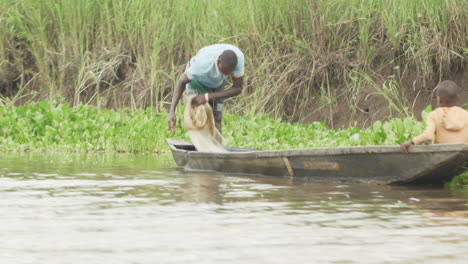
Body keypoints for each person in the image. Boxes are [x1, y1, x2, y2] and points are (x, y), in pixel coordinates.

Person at [167, 44, 244, 137]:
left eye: (230, 72)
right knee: (198, 115)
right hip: (198, 81)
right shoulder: (201, 65)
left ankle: (217, 149)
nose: (227, 74)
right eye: (224, 71)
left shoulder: (238, 59)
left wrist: (207, 96)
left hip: (218, 83)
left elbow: (238, 88)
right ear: (219, 61)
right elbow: (182, 82)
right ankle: (199, 146)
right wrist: (172, 111)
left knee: (217, 118)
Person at [400, 80, 468, 153]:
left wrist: (412, 142)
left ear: (440, 100)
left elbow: (428, 136)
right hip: (464, 153)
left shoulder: (434, 114)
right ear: (458, 98)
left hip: (442, 153)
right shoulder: (466, 114)